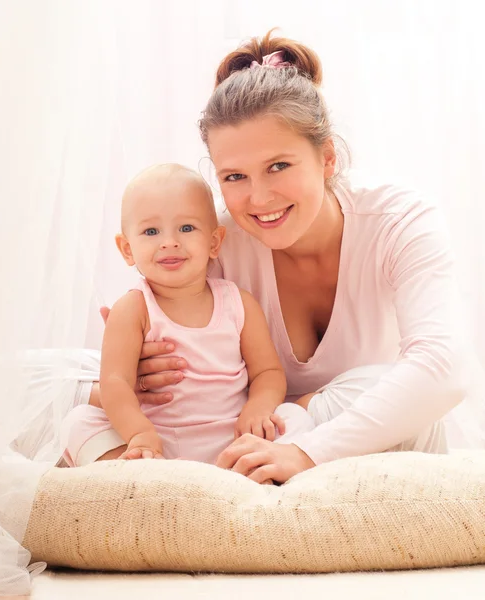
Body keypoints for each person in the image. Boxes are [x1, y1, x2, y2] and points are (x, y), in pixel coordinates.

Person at [70, 30, 474, 483]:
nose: (259, 198)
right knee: (38, 380)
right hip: (241, 434)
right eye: (235, 176)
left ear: (327, 158)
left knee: (381, 387)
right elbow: (166, 358)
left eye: (278, 166)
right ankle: (160, 486)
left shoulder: (399, 218)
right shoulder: (214, 239)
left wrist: (305, 448)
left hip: (335, 432)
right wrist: (137, 372)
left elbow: (444, 368)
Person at [59, 163, 321, 467]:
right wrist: (139, 432)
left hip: (234, 435)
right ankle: (149, 480)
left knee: (294, 417)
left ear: (214, 242)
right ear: (127, 249)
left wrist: (258, 408)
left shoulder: (238, 302)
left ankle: (243, 471)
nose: (169, 242)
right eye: (151, 231)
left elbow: (268, 373)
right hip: (156, 442)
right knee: (81, 422)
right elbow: (115, 382)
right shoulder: (133, 309)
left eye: (186, 228)